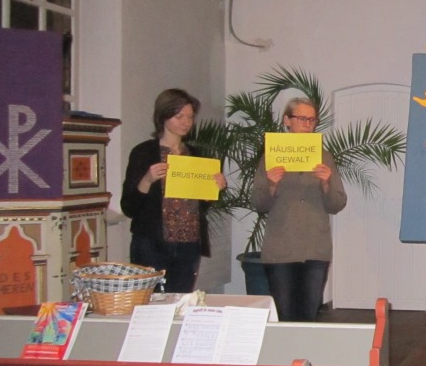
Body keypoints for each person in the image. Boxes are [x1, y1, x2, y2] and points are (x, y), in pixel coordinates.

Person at [121, 89, 226, 293]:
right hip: (152, 243)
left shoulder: (195, 154)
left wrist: (213, 189)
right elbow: (129, 207)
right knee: (150, 302)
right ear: (163, 116)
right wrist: (147, 180)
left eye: (190, 117)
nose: (186, 122)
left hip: (188, 243)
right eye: (179, 116)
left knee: (180, 301)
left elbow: (200, 206)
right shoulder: (144, 153)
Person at [252, 97, 347, 321]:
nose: (308, 124)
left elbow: (337, 204)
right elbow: (258, 204)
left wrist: (326, 184)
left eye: (312, 120)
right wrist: (272, 185)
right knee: (285, 315)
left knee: (309, 315)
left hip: (315, 247)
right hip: (280, 248)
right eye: (302, 118)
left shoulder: (325, 158)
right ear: (287, 120)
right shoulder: (270, 158)